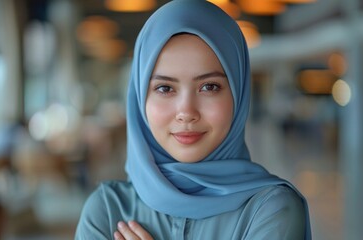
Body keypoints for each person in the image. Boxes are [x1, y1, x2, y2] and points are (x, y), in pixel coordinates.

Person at [75, 0, 311, 239]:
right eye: (165, 88)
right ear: (140, 98)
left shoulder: (272, 209)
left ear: (238, 95)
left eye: (209, 87)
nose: (186, 112)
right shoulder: (106, 210)